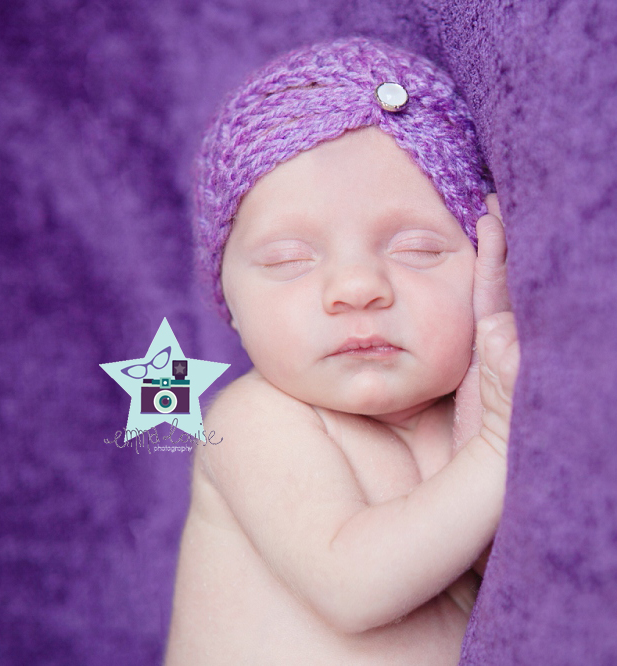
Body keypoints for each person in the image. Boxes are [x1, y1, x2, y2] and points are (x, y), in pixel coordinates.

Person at [165, 36, 520, 665]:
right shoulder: (255, 421)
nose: (356, 288)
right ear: (230, 303)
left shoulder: (464, 416)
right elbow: (353, 584)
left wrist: (491, 331)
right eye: (288, 259)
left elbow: (507, 560)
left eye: (416, 249)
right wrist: (497, 444)